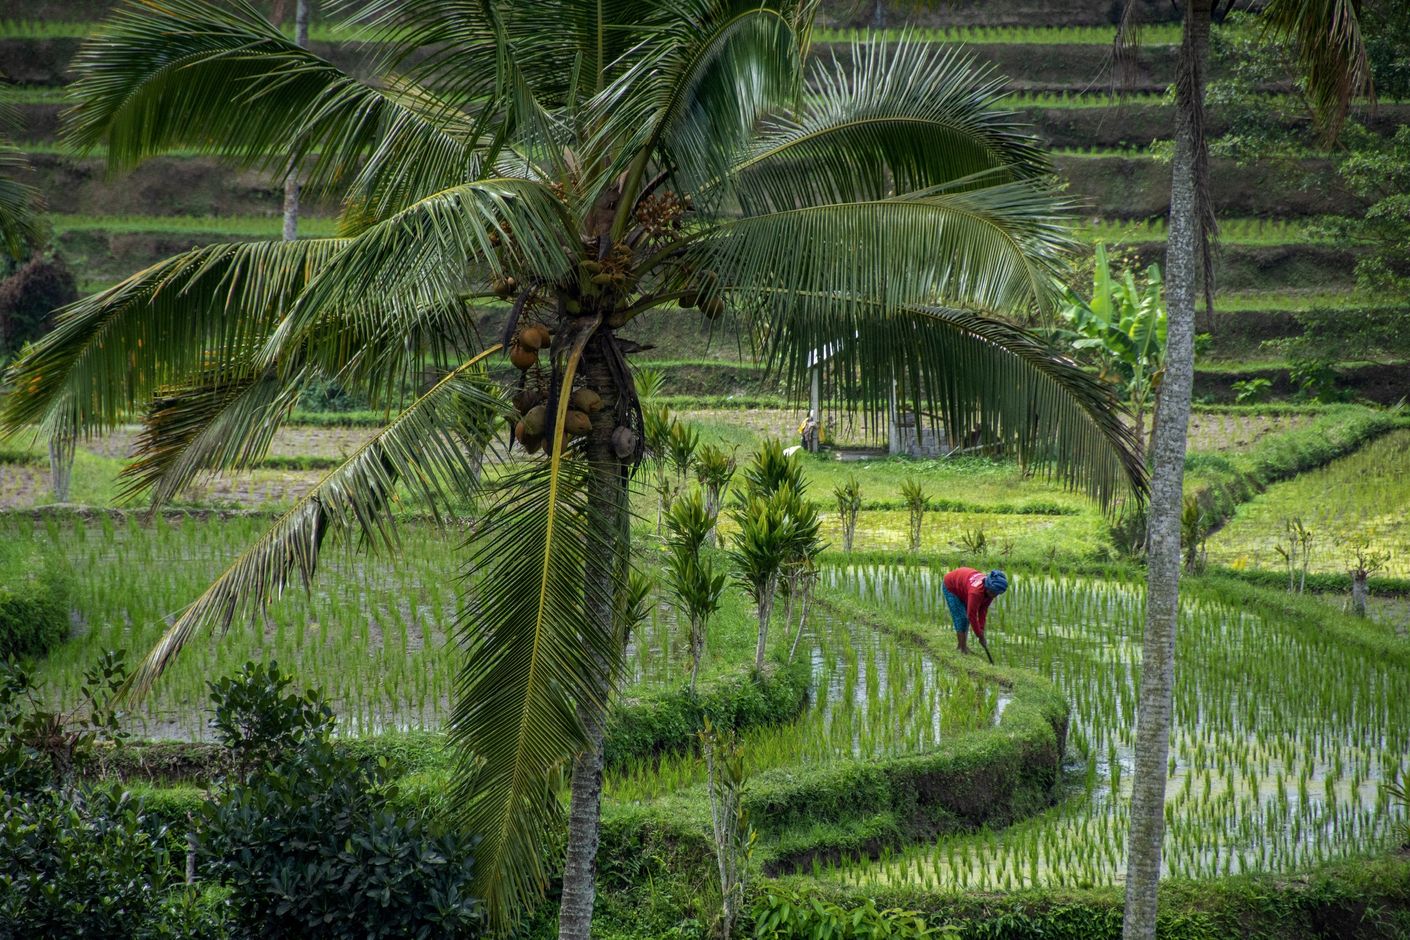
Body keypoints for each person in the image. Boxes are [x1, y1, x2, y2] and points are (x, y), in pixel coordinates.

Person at [942, 567, 1007, 654]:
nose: (994, 596)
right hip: (951, 585)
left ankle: (963, 646)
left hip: (964, 586)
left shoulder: (990, 592)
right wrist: (980, 636)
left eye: (997, 594)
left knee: (966, 619)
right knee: (961, 618)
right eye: (993, 593)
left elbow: (982, 610)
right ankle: (961, 648)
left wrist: (981, 630)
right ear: (987, 587)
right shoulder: (976, 593)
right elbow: (971, 615)